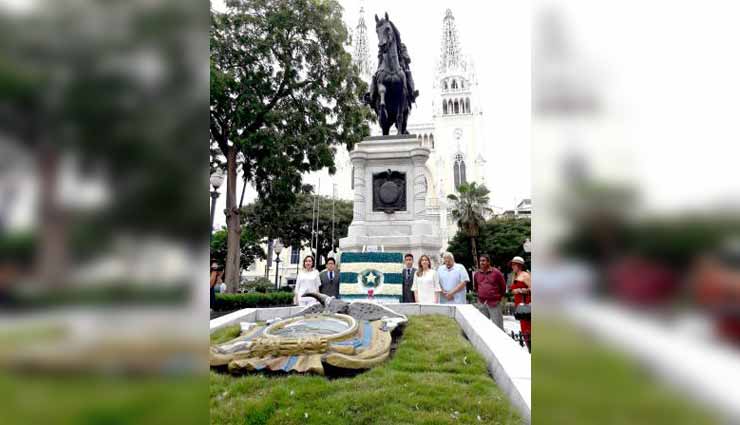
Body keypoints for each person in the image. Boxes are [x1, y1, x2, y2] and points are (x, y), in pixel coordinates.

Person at [473, 254, 507, 330]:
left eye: (483, 261)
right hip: (482, 303)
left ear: (488, 262)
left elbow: (503, 287)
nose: (481, 262)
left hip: (494, 302)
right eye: (480, 261)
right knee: (483, 325)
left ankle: (499, 340)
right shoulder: (477, 274)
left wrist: (498, 297)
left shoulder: (496, 273)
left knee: (497, 326)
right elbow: (476, 286)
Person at [510, 256, 532, 350]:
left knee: (528, 327)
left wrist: (521, 290)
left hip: (526, 304)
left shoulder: (525, 275)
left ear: (519, 265)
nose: (512, 266)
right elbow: (512, 290)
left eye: (514, 264)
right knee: (524, 327)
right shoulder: (514, 276)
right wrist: (515, 291)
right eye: (512, 264)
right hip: (519, 304)